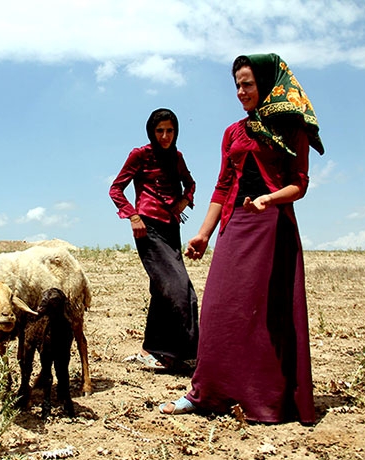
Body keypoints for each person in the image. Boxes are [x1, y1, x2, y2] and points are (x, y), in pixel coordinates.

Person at [159, 54, 324, 424]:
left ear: (266, 85)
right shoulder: (233, 132)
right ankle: (204, 393)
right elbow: (222, 186)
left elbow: (299, 184)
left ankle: (263, 398)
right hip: (233, 228)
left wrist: (269, 198)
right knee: (220, 309)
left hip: (272, 230)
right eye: (237, 85)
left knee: (266, 316)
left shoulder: (290, 129)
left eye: (247, 84)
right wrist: (203, 233)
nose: (241, 92)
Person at [109, 108, 198, 372]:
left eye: (170, 130)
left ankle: (151, 350)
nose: (165, 136)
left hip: (171, 230)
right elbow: (116, 188)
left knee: (162, 289)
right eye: (160, 131)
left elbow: (190, 183)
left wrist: (184, 200)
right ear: (151, 131)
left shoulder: (177, 157)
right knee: (180, 290)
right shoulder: (140, 154)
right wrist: (133, 217)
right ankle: (185, 354)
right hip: (148, 229)